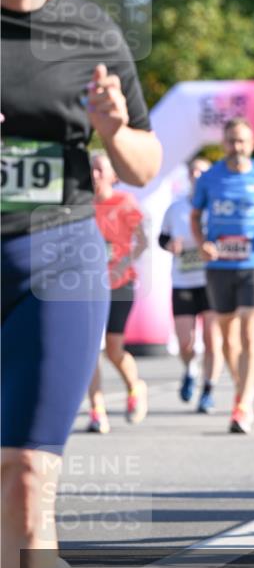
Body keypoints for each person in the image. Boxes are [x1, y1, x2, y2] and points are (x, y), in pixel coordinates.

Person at [1, 0, 160, 568]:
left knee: (28, 470)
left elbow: (143, 162)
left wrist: (112, 128)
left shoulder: (89, 34)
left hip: (56, 260)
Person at [191, 118, 254, 434]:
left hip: (253, 261)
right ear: (224, 143)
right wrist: (202, 243)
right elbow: (195, 215)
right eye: (231, 141)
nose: (237, 147)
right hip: (219, 265)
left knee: (248, 332)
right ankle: (241, 386)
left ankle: (243, 402)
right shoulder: (210, 177)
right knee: (228, 339)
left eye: (242, 141)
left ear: (252, 144)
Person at [87, 153, 149, 433]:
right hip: (87, 286)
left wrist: (122, 264)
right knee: (90, 350)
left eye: (100, 170)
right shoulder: (81, 205)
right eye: (92, 170)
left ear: (114, 176)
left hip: (119, 284)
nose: (95, 175)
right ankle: (96, 410)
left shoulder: (124, 202)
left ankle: (135, 387)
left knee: (113, 349)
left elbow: (142, 241)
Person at [159, 157, 223, 412]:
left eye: (202, 172)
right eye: (193, 172)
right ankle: (190, 369)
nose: (197, 176)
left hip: (211, 281)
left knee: (212, 340)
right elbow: (162, 238)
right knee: (185, 342)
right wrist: (170, 245)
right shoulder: (176, 208)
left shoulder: (216, 206)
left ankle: (208, 390)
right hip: (183, 281)